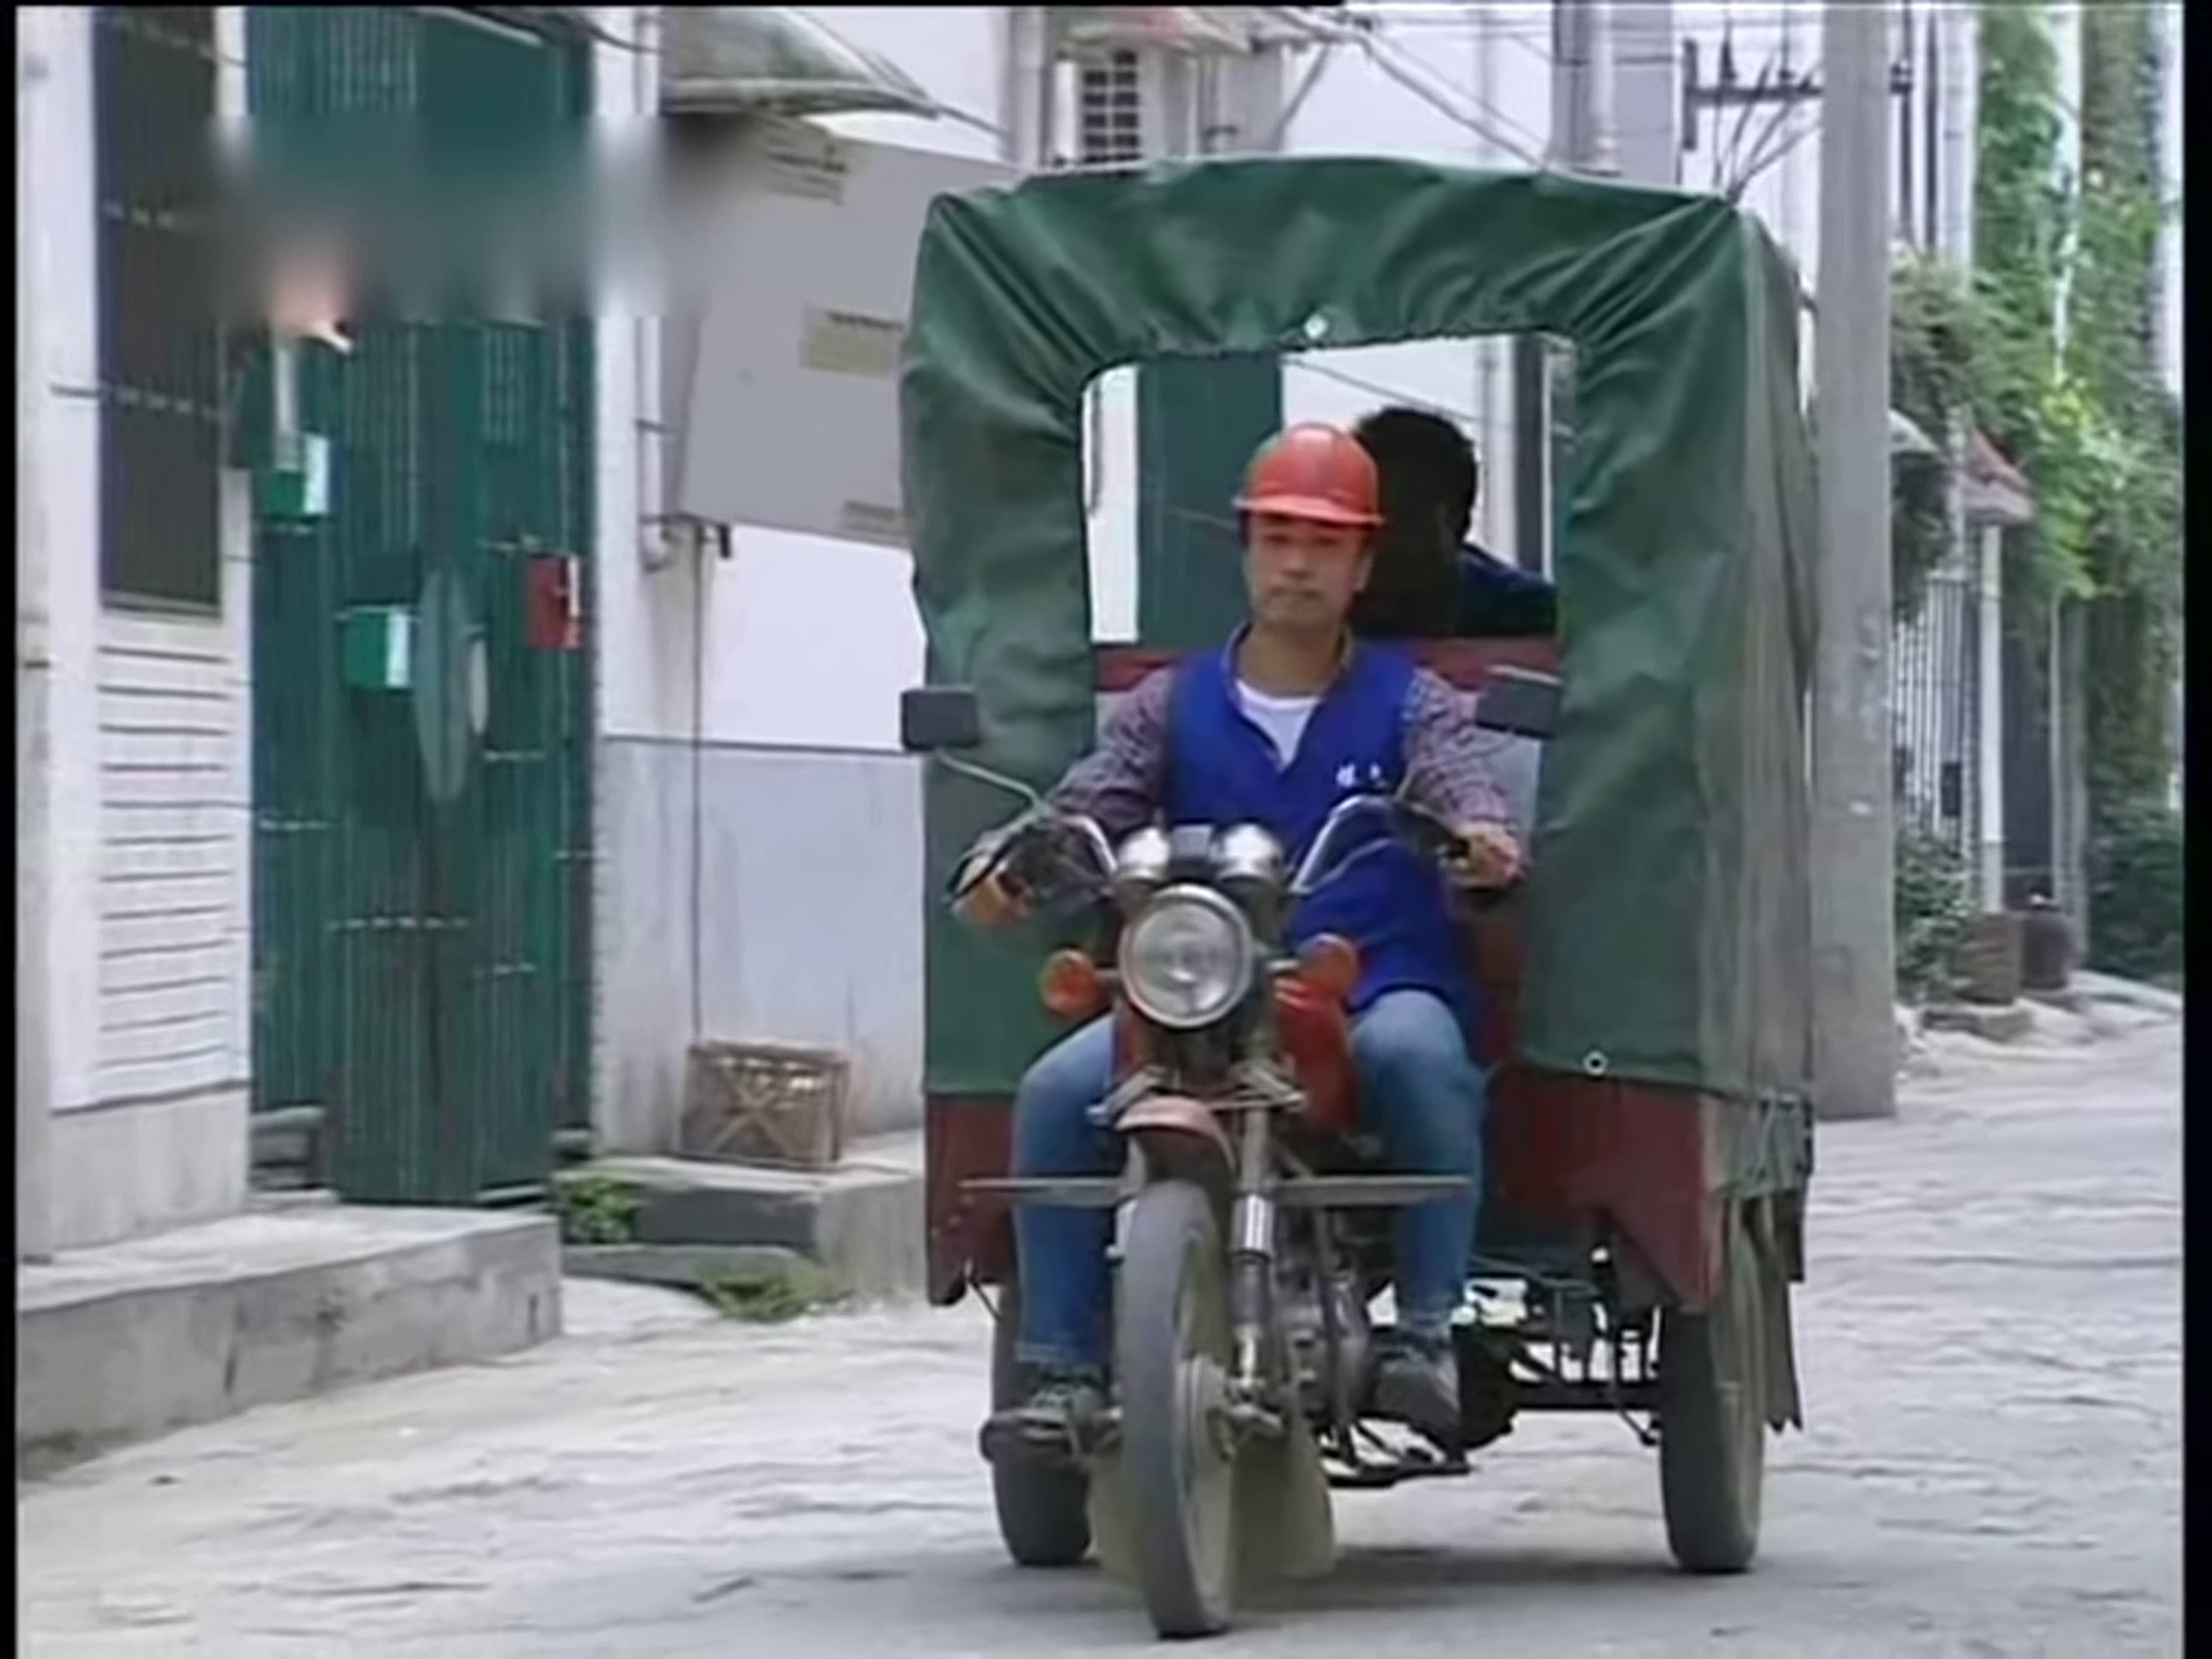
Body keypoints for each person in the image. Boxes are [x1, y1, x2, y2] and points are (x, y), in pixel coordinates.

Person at [955, 422, 1523, 1455]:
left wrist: (1481, 838)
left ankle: (1427, 1332)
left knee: (1419, 1054)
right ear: (1248, 552)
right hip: (1200, 990)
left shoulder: (1415, 704)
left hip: (1371, 983)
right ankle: (1061, 1367)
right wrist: (1012, 865)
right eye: (1278, 538)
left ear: (1362, 565)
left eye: (1325, 542)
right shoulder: (1169, 705)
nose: (1297, 564)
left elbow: (1461, 787)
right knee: (1055, 1092)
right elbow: (1087, 805)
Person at [1349, 405, 1558, 641]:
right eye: (1355, 517)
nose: (1369, 540)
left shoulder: (1535, 618)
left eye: (1395, 521)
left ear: (1458, 523)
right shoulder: (1327, 601)